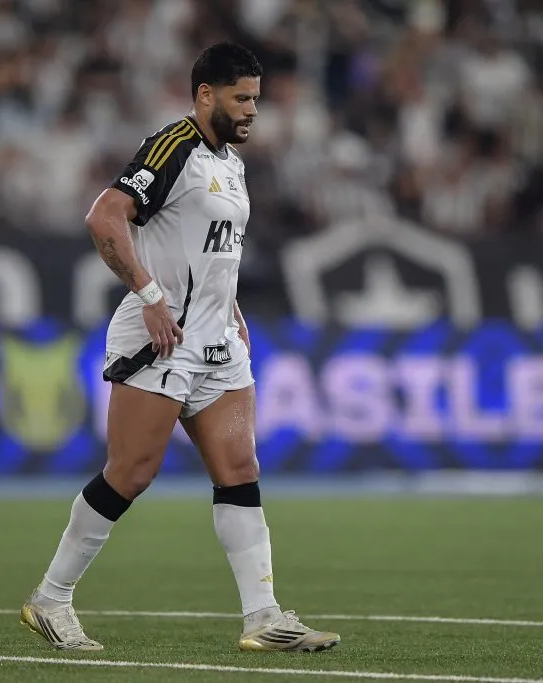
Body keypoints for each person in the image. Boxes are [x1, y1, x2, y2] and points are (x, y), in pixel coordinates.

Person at [18, 42, 340, 654]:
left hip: (218, 341)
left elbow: (210, 247)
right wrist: (148, 294)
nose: (251, 110)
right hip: (161, 338)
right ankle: (50, 599)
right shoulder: (174, 146)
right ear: (205, 95)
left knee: (240, 472)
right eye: (241, 98)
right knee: (131, 474)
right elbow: (104, 217)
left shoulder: (231, 161)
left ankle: (263, 616)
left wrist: (231, 307)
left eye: (256, 99)